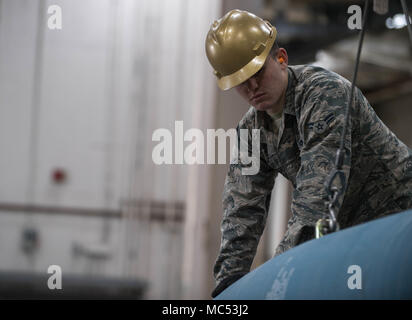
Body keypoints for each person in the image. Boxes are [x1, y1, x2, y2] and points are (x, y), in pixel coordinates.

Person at [205, 9, 412, 298]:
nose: (251, 88)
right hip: (350, 232)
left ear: (281, 59)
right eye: (240, 82)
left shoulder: (324, 93)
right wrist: (228, 285)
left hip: (399, 213)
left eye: (257, 73)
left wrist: (281, 271)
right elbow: (242, 208)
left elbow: (317, 194)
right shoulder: (252, 130)